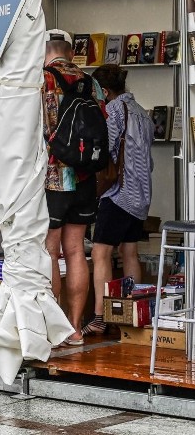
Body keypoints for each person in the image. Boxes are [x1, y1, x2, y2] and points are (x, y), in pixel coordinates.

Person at [42, 29, 105, 346]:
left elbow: (38, 130)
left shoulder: (45, 81)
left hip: (55, 178)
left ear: (45, 51)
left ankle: (53, 330)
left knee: (51, 252)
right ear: (69, 50)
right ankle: (75, 328)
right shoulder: (91, 83)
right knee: (76, 250)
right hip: (85, 177)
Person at [83, 64, 153, 336]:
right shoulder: (143, 114)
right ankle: (132, 313)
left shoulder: (113, 111)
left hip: (118, 194)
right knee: (130, 251)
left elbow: (106, 150)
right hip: (141, 194)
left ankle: (100, 316)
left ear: (105, 91)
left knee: (101, 253)